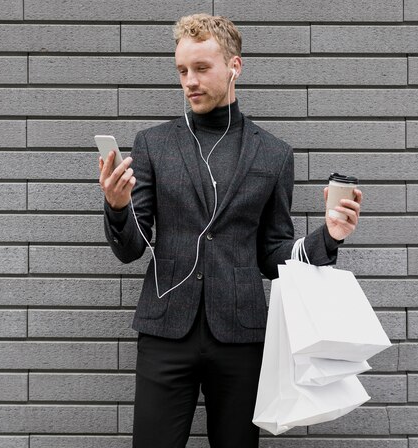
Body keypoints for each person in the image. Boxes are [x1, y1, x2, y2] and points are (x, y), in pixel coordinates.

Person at [98, 13, 362, 448]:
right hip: (165, 333)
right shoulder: (153, 144)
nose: (190, 81)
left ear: (234, 66)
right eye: (182, 70)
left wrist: (328, 238)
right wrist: (117, 207)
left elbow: (273, 254)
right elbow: (131, 249)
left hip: (240, 338)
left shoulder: (274, 154)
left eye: (202, 68)